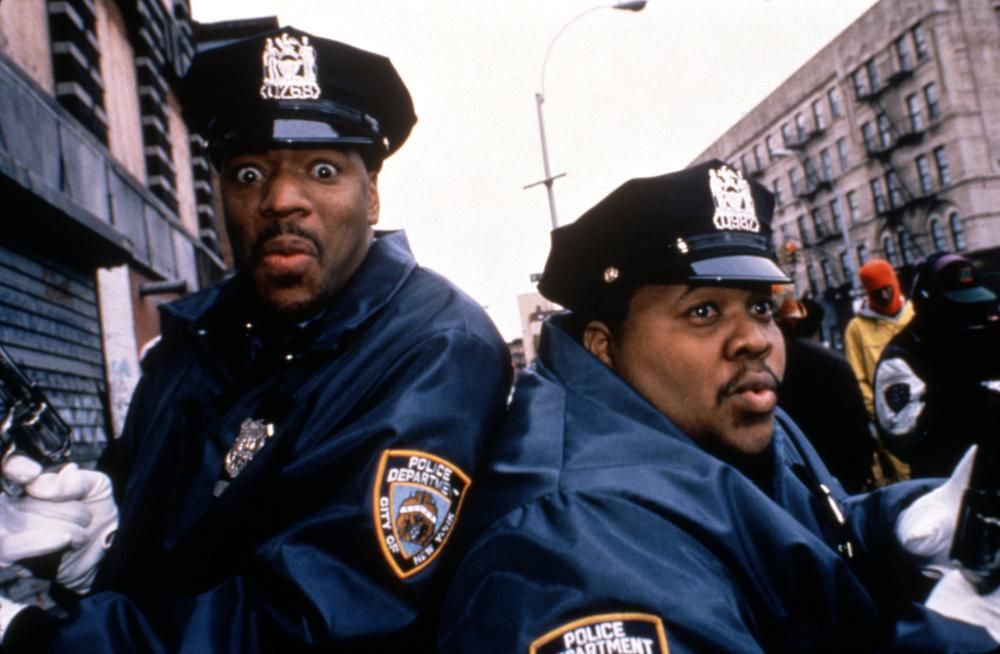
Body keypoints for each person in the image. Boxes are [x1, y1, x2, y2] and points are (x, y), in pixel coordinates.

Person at [0, 27, 511, 652]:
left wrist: (29, 640)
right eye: (248, 173)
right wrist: (99, 545)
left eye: (322, 170)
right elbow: (176, 555)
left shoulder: (435, 349)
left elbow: (317, 620)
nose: (281, 201)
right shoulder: (192, 341)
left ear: (371, 196)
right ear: (221, 197)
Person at [437, 161, 1000, 653]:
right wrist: (957, 637)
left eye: (760, 307)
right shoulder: (571, 541)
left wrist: (898, 524)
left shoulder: (712, 410)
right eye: (703, 311)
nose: (754, 339)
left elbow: (795, 538)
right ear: (604, 346)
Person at [873, 252, 1000, 478]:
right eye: (959, 305)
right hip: (948, 484)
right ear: (930, 304)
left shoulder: (987, 336)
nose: (972, 312)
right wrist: (981, 403)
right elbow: (904, 432)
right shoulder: (905, 354)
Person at [774, 291, 875, 493]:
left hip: (795, 484)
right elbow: (858, 426)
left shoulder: (762, 371)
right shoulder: (831, 362)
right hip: (842, 478)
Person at [844, 259, 915, 483]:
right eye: (877, 293)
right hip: (891, 425)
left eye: (888, 289)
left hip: (927, 414)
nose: (884, 296)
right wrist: (879, 413)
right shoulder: (856, 329)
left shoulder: (916, 314)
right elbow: (857, 379)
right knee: (907, 483)